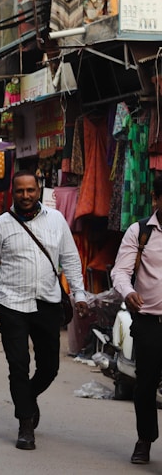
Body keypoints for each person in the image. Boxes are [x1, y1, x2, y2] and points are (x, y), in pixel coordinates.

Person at [0, 170, 88, 451]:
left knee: (50, 367)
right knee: (18, 366)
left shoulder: (57, 220)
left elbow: (71, 260)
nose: (26, 196)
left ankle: (28, 397)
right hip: (12, 304)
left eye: (31, 191)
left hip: (47, 303)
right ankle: (26, 424)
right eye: (20, 191)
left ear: (39, 191)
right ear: (12, 193)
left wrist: (80, 294)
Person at [110, 175, 162, 465]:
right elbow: (120, 271)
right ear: (156, 198)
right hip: (149, 322)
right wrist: (128, 292)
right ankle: (145, 439)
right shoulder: (140, 231)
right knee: (145, 385)